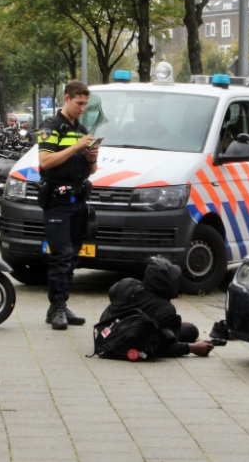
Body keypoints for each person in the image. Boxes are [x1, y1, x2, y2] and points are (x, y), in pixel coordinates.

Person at [39, 81, 98, 330]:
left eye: (86, 103)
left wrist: (91, 157)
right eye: (79, 103)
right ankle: (58, 307)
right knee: (61, 255)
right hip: (57, 201)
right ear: (66, 98)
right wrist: (76, 146)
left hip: (78, 200)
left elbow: (92, 170)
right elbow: (45, 161)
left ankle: (59, 306)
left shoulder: (82, 128)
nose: (83, 107)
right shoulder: (52, 126)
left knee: (72, 255)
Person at [102, 258, 214, 358]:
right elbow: (163, 348)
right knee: (191, 331)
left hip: (106, 332)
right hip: (128, 340)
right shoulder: (166, 310)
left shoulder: (127, 284)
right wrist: (191, 348)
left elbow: (112, 292)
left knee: (184, 329)